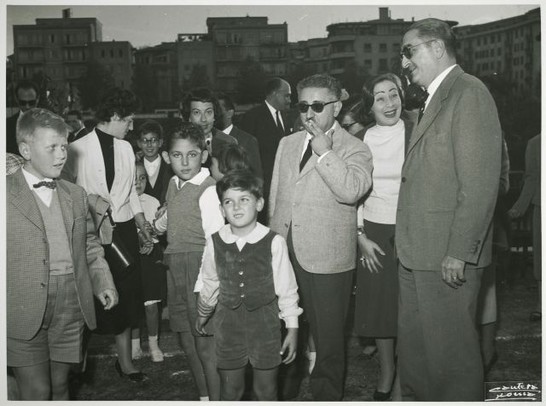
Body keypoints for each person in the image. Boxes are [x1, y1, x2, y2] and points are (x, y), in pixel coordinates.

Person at [397, 18, 502, 400]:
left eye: (409, 51)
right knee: (419, 359)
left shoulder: (469, 93)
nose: (403, 61)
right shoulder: (434, 99)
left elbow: (479, 184)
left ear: (437, 48)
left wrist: (459, 251)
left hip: (446, 256)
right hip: (418, 254)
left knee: (452, 363)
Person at [269, 73, 373, 400]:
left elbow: (351, 191)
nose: (309, 113)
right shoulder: (286, 143)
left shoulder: (355, 148)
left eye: (317, 105)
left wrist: (325, 153)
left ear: (337, 106)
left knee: (328, 345)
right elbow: (276, 198)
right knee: (284, 336)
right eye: (303, 106)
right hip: (284, 255)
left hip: (328, 261)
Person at [7, 108, 118, 399]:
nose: (61, 155)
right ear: (25, 150)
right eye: (52, 148)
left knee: (60, 386)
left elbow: (90, 245)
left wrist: (102, 281)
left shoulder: (76, 195)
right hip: (21, 305)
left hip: (71, 302)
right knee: (37, 391)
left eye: (63, 146)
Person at [62, 87, 153, 383]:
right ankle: (77, 364)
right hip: (91, 234)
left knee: (125, 299)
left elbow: (130, 195)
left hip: (124, 231)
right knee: (91, 297)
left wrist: (142, 224)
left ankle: (126, 363)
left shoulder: (126, 148)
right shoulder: (77, 147)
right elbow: (68, 192)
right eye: (128, 120)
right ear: (113, 116)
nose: (131, 126)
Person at [196, 170, 302, 400]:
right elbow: (211, 281)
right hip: (228, 328)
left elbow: (287, 289)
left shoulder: (274, 242)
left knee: (266, 391)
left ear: (259, 203)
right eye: (228, 202)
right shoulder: (215, 241)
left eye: (244, 199)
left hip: (265, 328)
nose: (236, 207)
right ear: (222, 210)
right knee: (231, 390)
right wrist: (203, 313)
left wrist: (292, 328)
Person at [352, 73, 413, 401]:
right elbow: (353, 194)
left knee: (409, 304)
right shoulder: (360, 138)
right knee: (381, 307)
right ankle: (387, 370)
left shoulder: (417, 130)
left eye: (393, 95)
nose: (389, 103)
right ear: (369, 104)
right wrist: (360, 235)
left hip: (411, 228)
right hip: (373, 231)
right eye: (380, 97)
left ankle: (405, 375)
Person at [154, 122, 225, 401]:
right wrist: (156, 226)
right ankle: (204, 397)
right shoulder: (173, 184)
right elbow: (172, 218)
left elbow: (214, 243)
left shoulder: (209, 190)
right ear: (166, 157)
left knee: (204, 343)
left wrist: (205, 285)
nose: (184, 162)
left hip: (199, 268)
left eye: (192, 155)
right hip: (176, 266)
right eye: (177, 155)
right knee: (186, 339)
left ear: (204, 155)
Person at [239, 77, 294, 222]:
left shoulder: (285, 115)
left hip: (281, 185)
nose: (289, 100)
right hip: (261, 186)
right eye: (287, 95)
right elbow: (245, 153)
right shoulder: (252, 117)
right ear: (275, 93)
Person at [132, 161, 168, 362]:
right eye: (134, 178)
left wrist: (154, 232)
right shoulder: (122, 202)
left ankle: (154, 345)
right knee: (134, 304)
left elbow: (160, 232)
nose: (138, 182)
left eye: (142, 177)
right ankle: (134, 345)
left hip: (151, 256)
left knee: (152, 305)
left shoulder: (153, 201)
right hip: (131, 257)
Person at [508, 134, 541, 322]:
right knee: (541, 259)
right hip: (541, 207)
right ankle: (541, 304)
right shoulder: (535, 143)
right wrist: (519, 208)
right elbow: (531, 178)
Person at [179, 88, 237, 160]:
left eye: (208, 112)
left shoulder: (228, 143)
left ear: (214, 115)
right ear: (189, 117)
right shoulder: (178, 143)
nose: (203, 119)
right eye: (197, 112)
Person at [215, 92, 263, 179]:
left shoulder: (247, 141)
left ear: (230, 113)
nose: (213, 115)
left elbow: (257, 178)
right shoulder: (205, 139)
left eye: (217, 111)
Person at [134, 120, 173, 204]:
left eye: (153, 140)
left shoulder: (170, 166)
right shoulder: (134, 166)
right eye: (144, 140)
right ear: (139, 143)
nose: (149, 145)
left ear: (160, 142)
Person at [7, 80, 40, 155]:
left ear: (37, 99)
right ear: (16, 100)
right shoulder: (6, 125)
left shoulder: (48, 123)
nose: (27, 106)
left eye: (31, 102)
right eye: (23, 103)